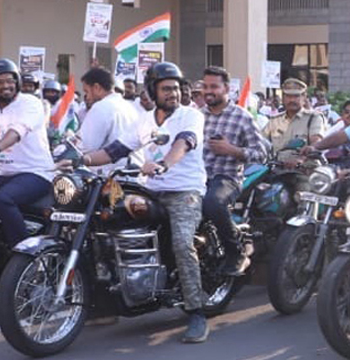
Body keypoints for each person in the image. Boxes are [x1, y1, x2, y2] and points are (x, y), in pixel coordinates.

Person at [68, 62, 211, 343]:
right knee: (107, 225)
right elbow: (114, 151)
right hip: (150, 190)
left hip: (185, 190)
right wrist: (79, 160)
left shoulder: (190, 115)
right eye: (166, 88)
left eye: (176, 88)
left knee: (182, 243)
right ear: (152, 92)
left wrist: (164, 164)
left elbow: (184, 143)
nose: (173, 93)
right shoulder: (144, 120)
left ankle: (196, 313)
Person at [201, 66, 270, 276]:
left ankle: (237, 251)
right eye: (205, 86)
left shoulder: (242, 117)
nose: (208, 91)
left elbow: (261, 154)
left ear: (227, 89)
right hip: (196, 177)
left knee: (212, 203)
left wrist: (232, 150)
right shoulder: (195, 115)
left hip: (226, 177)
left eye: (214, 86)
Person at [0, 58, 53, 249]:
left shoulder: (30, 103)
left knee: (2, 198)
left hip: (36, 172)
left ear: (17, 82)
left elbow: (17, 131)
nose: (5, 86)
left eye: (10, 81)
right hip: (5, 173)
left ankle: (23, 253)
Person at [74, 66, 141, 176]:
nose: (87, 97)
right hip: (130, 173)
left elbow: (85, 147)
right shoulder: (129, 106)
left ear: (97, 88)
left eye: (87, 91)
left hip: (108, 177)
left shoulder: (101, 107)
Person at [263, 78, 325, 154]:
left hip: (306, 163)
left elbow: (316, 142)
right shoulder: (274, 120)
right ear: (283, 97)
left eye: (296, 96)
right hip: (278, 163)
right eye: (288, 96)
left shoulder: (313, 118)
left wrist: (303, 158)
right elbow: (260, 143)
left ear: (304, 97)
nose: (292, 100)